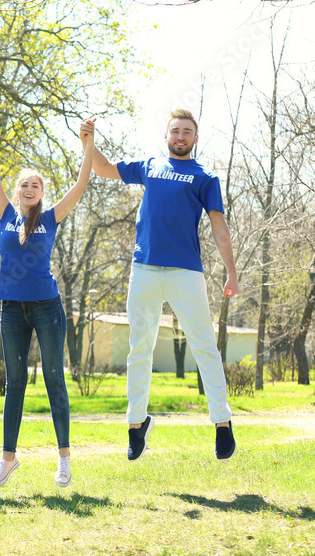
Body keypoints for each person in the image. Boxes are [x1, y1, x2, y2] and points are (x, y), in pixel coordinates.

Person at [85, 109, 239, 461]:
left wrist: (231, 271)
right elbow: (104, 169)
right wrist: (88, 139)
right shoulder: (150, 165)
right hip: (145, 270)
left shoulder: (206, 178)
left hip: (186, 272)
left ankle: (222, 422)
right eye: (175, 131)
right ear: (166, 136)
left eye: (187, 131)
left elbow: (219, 227)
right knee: (140, 348)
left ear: (195, 139)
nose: (181, 136)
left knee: (204, 348)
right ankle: (136, 426)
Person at [0, 105, 96, 490]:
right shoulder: (4, 215)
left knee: (53, 380)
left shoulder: (50, 219)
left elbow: (81, 185)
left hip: (47, 308)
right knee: (14, 383)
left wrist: (88, 144)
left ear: (42, 193)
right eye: (24, 185)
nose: (29, 189)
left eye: (36, 185)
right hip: (12, 309)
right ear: (17, 192)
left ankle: (64, 460)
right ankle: (7, 460)